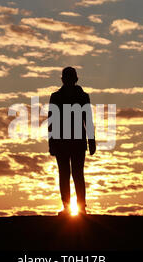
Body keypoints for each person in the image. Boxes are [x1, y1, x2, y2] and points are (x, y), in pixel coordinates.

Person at [48, 67, 96, 216]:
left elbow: (87, 119)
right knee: (66, 174)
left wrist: (91, 141)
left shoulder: (82, 97)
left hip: (76, 141)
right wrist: (52, 143)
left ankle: (80, 207)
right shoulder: (56, 97)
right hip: (63, 141)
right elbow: (52, 121)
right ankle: (68, 207)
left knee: (76, 174)